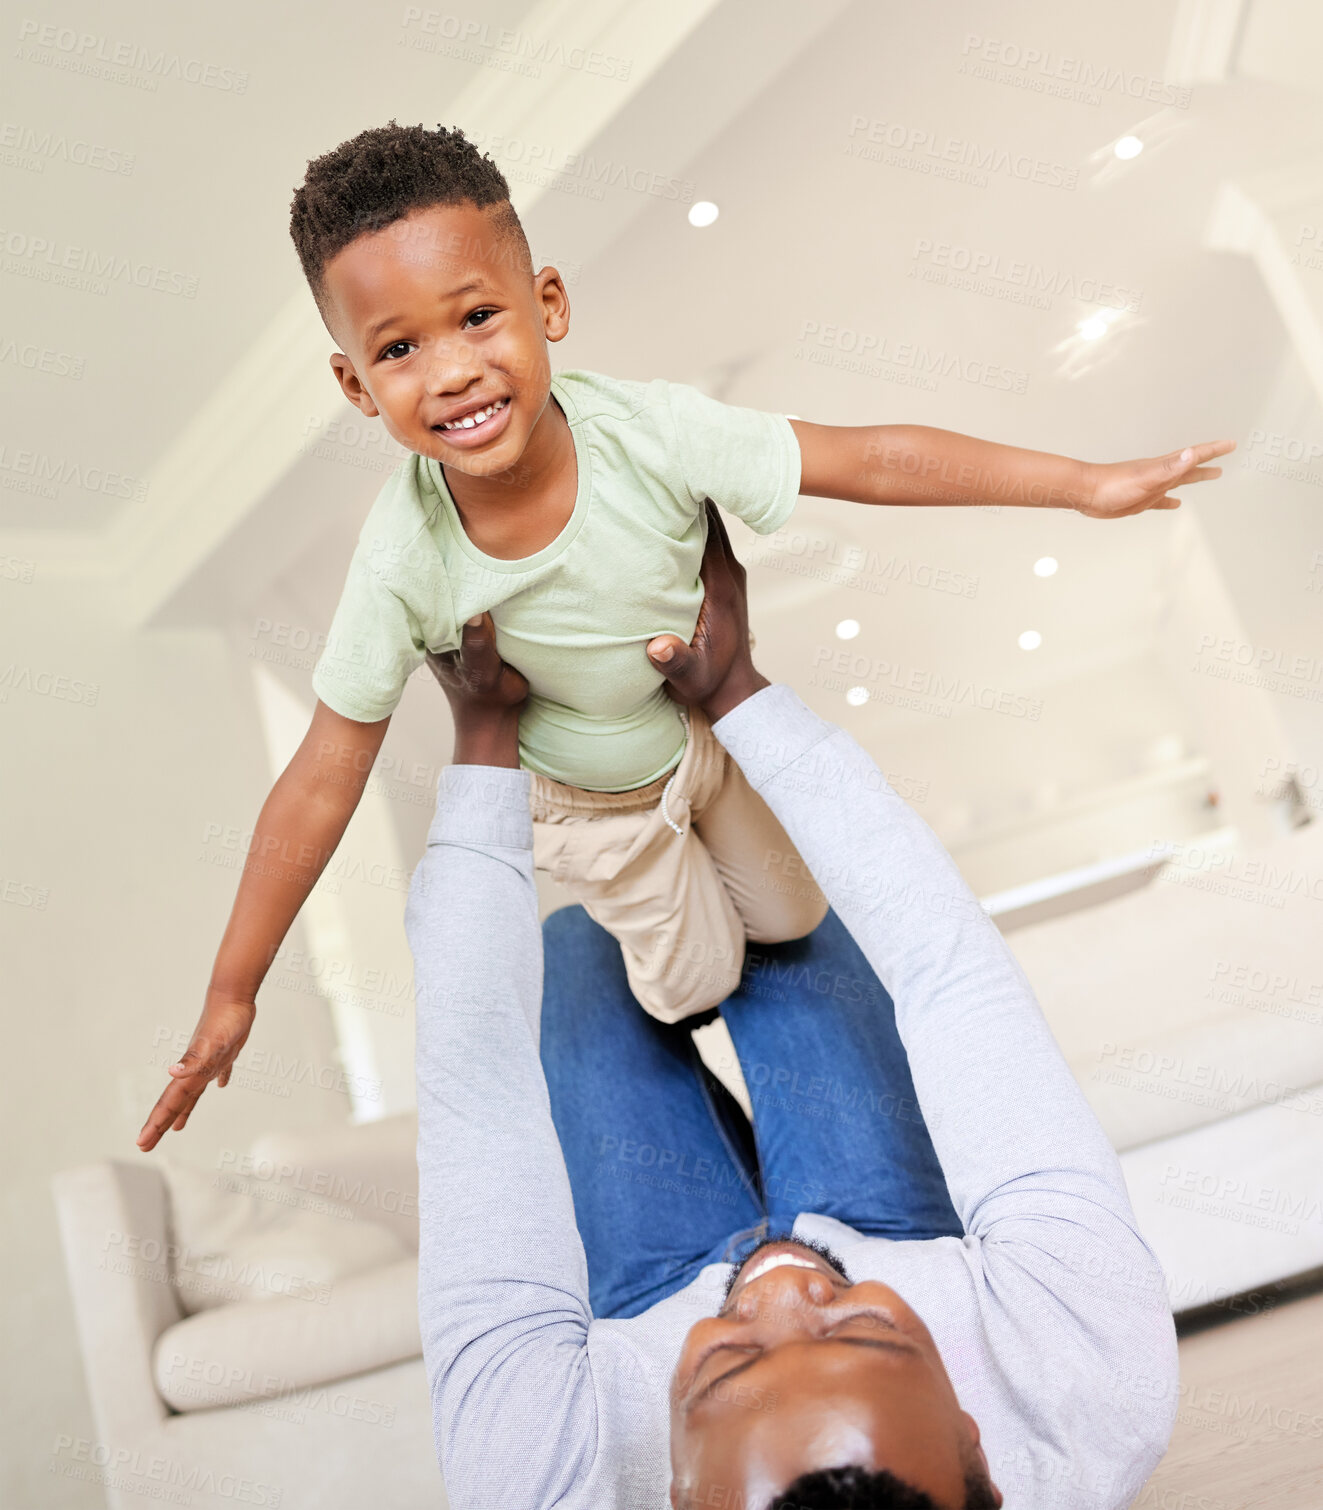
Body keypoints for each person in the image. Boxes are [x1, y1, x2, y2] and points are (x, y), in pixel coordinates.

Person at [137, 121, 1233, 1148]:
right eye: (399, 348)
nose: (454, 369)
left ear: (547, 303)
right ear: (356, 385)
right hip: (591, 811)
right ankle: (609, 943)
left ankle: (709, 874)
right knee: (697, 981)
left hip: (696, 740)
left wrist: (1083, 484)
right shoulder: (404, 557)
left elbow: (867, 457)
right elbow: (324, 774)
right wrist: (235, 986)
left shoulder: (650, 432)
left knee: (795, 913)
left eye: (478, 317)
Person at [407, 505, 1179, 1509]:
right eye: (858, 1328)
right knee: (792, 937)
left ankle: (652, 854)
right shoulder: (1091, 1391)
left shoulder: (538, 1480)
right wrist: (738, 691)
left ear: (674, 1495)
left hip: (645, 1306)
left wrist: (485, 743)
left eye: (731, 1364)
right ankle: (677, 823)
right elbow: (947, 971)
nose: (776, 1285)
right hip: (894, 1231)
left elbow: (479, 1085)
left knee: (569, 956)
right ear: (979, 1444)